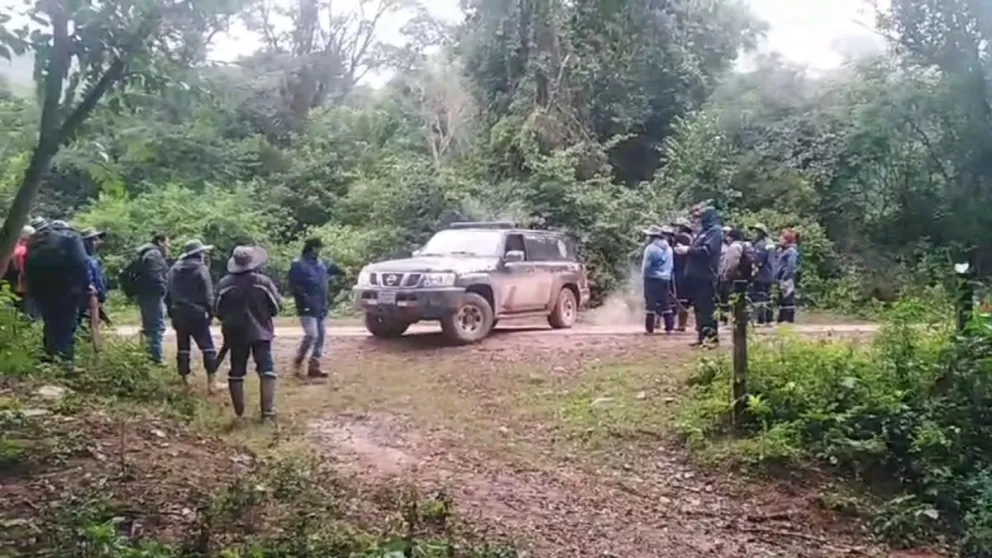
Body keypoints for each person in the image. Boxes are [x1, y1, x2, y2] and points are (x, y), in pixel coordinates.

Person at [215, 245, 282, 423]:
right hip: (261, 332)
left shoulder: (224, 284)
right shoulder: (263, 282)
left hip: (235, 334)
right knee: (267, 370)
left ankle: (240, 414)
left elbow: (218, 310)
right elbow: (276, 307)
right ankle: (267, 412)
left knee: (236, 372)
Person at [24, 220, 90, 365]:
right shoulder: (69, 241)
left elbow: (27, 270)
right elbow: (82, 264)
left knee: (50, 325)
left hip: (42, 293)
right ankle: (65, 363)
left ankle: (50, 358)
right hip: (68, 291)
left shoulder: (35, 244)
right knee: (66, 328)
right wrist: (85, 287)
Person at [288, 237, 342, 379]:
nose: (320, 251)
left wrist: (340, 271)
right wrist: (305, 300)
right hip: (307, 306)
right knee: (311, 335)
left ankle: (314, 367)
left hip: (321, 304)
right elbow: (295, 287)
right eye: (318, 248)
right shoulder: (298, 264)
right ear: (313, 248)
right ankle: (298, 362)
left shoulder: (320, 263)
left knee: (321, 337)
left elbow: (332, 271)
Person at [167, 240, 218, 389]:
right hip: (197, 313)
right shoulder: (201, 270)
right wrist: (211, 312)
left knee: (183, 347)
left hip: (178, 312)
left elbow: (167, 294)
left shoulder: (174, 269)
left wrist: (171, 312)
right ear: (199, 254)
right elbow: (208, 295)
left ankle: (184, 380)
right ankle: (212, 383)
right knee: (207, 346)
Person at [676, 206, 723, 347]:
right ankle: (701, 337)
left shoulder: (715, 231)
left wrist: (688, 250)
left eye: (701, 216)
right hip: (696, 276)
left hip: (706, 275)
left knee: (707, 308)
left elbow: (707, 251)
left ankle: (711, 338)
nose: (699, 220)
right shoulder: (704, 231)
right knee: (699, 308)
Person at [134, 233, 171, 364]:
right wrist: (163, 289)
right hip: (152, 296)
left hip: (147, 295)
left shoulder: (148, 253)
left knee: (150, 325)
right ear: (160, 242)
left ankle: (148, 356)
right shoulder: (154, 255)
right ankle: (156, 358)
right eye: (167, 242)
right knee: (156, 326)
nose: (169, 245)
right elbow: (155, 276)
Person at [641, 225, 675, 334]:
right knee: (666, 303)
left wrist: (644, 276)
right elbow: (671, 265)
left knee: (650, 304)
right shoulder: (669, 249)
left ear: (652, 236)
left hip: (651, 279)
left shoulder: (650, 249)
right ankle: (669, 327)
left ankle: (649, 328)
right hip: (665, 279)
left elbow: (646, 266)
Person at [79, 229, 108, 328]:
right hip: (87, 299)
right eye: (93, 239)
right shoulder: (82, 258)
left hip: (97, 298)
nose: (97, 242)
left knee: (95, 324)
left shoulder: (95, 258)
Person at [749, 224, 775, 325]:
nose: (754, 234)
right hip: (770, 273)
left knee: (760, 296)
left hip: (761, 274)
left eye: (756, 231)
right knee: (768, 296)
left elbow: (758, 260)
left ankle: (761, 319)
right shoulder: (771, 243)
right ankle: (769, 318)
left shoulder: (761, 244)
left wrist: (753, 271)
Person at [718, 228, 745, 323]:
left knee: (725, 299)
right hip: (741, 278)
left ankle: (724, 319)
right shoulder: (744, 245)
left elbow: (731, 263)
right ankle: (737, 319)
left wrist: (726, 274)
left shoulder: (734, 247)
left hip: (731, 278)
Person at [671, 219, 694, 332]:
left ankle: (681, 324)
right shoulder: (692, 238)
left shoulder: (681, 238)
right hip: (689, 270)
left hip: (681, 269)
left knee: (681, 297)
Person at [776, 229, 800, 323]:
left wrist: (785, 277)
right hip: (781, 277)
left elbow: (791, 266)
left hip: (787, 278)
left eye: (781, 238)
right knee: (782, 298)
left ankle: (788, 319)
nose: (779, 239)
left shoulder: (791, 251)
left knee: (788, 298)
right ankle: (782, 318)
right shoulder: (781, 250)